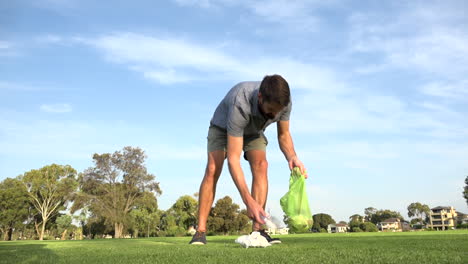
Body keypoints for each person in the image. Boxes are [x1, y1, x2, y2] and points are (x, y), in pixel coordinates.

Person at [189, 74, 307, 245]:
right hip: (222, 129)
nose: (274, 115)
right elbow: (234, 160)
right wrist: (248, 201)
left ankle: (258, 230)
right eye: (271, 110)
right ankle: (200, 231)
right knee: (213, 169)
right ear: (260, 98)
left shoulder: (284, 102)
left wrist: (293, 156)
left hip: (253, 131)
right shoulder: (241, 102)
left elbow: (284, 134)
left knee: (262, 165)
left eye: (278, 111)